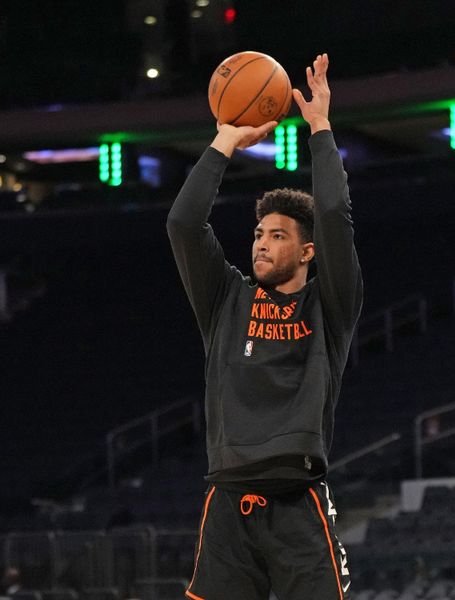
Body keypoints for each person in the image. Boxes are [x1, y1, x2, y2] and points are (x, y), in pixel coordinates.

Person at [167, 53, 362, 600]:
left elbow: (335, 217)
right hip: (228, 504)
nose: (260, 241)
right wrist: (225, 140)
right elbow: (183, 224)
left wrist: (320, 127)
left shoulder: (331, 306)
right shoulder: (226, 298)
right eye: (258, 232)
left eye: (277, 235)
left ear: (307, 251)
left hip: (299, 503)